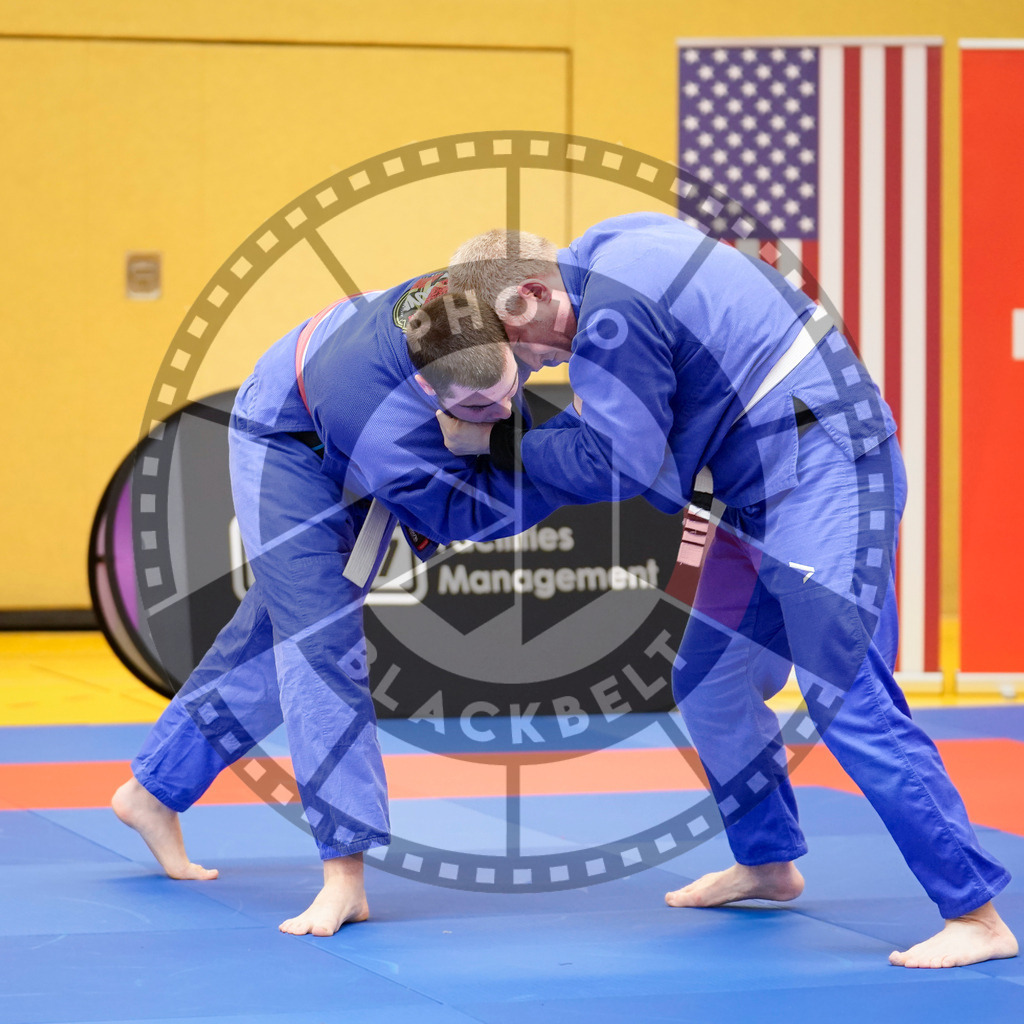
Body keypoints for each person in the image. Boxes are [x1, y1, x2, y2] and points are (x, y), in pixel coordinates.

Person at [436, 212, 1018, 969]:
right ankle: (768, 861)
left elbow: (630, 474)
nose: (528, 365)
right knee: (709, 679)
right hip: (757, 488)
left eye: (516, 346)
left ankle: (973, 911)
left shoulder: (611, 318)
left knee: (845, 694)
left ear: (534, 294)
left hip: (828, 468)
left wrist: (500, 445)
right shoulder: (617, 239)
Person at [112, 275, 568, 937]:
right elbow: (468, 516)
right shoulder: (379, 427)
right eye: (480, 404)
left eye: (507, 391)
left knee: (274, 637)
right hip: (285, 444)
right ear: (430, 392)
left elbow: (505, 424)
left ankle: (152, 789)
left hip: (336, 412)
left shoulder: (468, 317)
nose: (502, 411)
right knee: (321, 646)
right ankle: (342, 874)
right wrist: (581, 471)